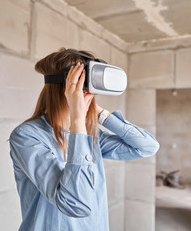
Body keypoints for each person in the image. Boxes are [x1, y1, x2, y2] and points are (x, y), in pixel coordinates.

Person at [9, 48, 159, 231]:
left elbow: (147, 146)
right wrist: (78, 120)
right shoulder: (27, 136)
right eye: (81, 86)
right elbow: (74, 203)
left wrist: (100, 114)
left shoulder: (91, 134)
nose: (87, 93)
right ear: (64, 89)